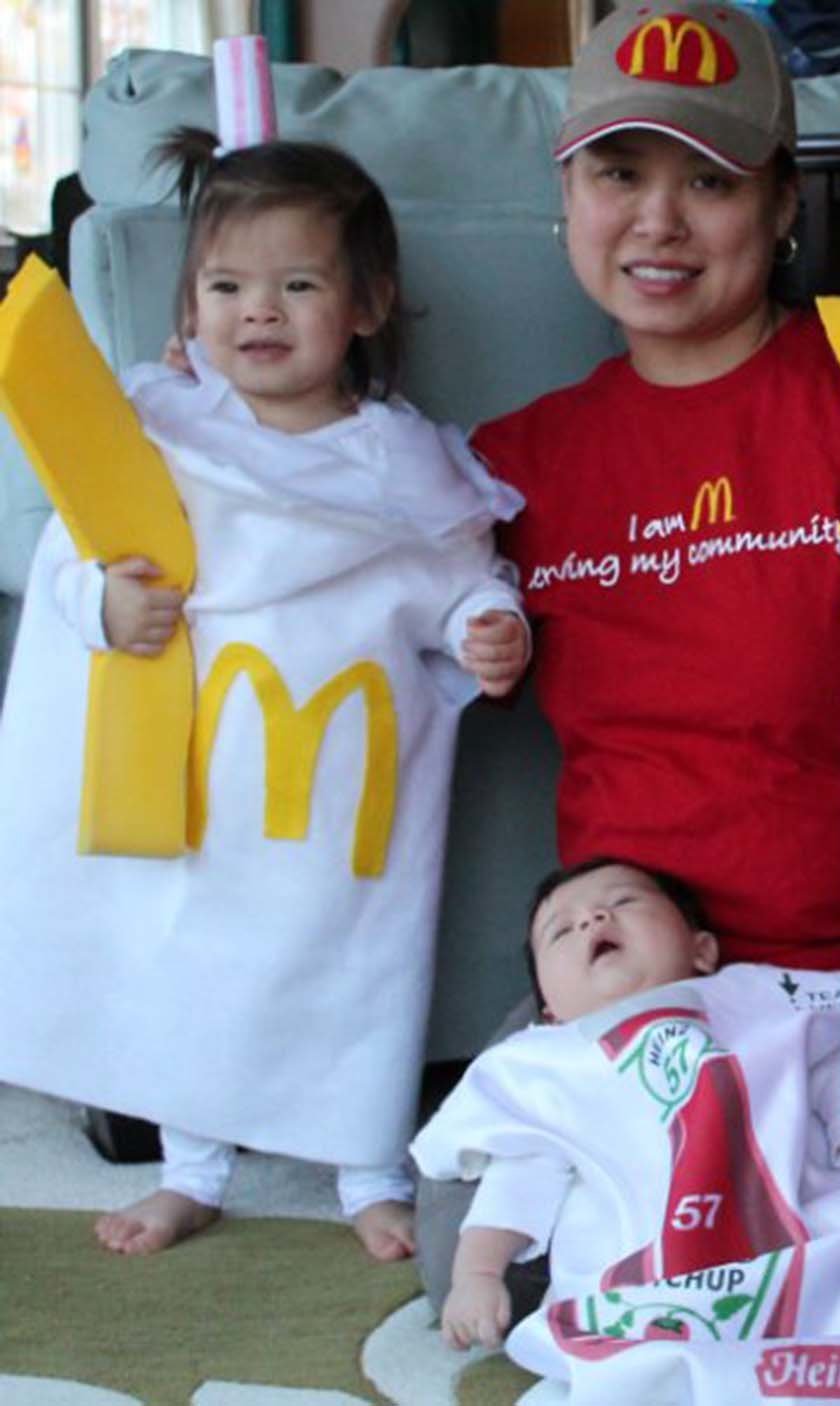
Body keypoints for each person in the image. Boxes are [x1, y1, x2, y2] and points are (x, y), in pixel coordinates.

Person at [435, 0, 840, 1334]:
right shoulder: (512, 465)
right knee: (496, 1280)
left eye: (711, 179)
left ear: (785, 203)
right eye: (619, 174)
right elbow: (331, 540)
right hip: (635, 992)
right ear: (567, 194)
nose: (659, 220)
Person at [0, 130, 527, 1259]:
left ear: (368, 302)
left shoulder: (405, 466)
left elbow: (458, 581)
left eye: (298, 284)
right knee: (192, 954)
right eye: (227, 285)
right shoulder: (163, 430)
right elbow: (77, 560)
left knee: (360, 966)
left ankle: (368, 1168)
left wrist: (489, 630)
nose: (260, 312)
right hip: (205, 767)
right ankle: (196, 1164)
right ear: (188, 306)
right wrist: (105, 609)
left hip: (345, 776)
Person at [415, 858, 840, 1403]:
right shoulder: (548, 1063)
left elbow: (836, 1068)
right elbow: (519, 1180)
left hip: (808, 1246)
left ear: (702, 949)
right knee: (631, 1372)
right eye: (562, 932)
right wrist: (478, 1273)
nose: (593, 918)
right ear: (549, 1010)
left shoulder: (765, 1000)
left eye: (623, 900)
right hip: (650, 1281)